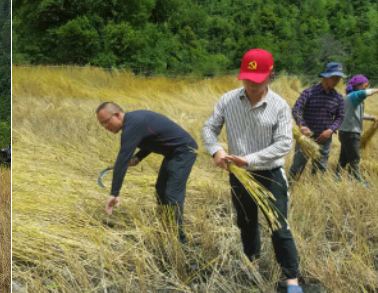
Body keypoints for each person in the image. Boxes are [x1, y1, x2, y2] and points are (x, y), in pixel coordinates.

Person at [202, 49, 301, 292]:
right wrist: (217, 150)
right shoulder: (227, 100)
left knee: (279, 226)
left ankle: (291, 279)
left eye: (257, 80)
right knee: (246, 221)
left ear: (271, 76)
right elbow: (209, 128)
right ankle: (252, 263)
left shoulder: (279, 106)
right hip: (238, 175)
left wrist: (249, 159)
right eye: (247, 79)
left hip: (270, 174)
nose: (252, 85)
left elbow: (284, 144)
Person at [97, 103, 198, 244]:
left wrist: (114, 193)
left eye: (106, 122)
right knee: (160, 190)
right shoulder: (134, 121)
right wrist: (139, 157)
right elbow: (153, 137)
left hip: (184, 151)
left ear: (117, 115)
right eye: (102, 124)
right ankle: (167, 228)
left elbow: (122, 161)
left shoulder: (132, 125)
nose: (106, 127)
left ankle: (179, 240)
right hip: (172, 153)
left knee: (172, 194)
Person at [290, 62, 346, 180]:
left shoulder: (338, 97)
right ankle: (290, 188)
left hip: (324, 138)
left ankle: (317, 190)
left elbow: (340, 116)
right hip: (306, 137)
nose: (336, 81)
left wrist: (330, 130)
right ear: (325, 76)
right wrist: (302, 125)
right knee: (297, 167)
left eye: (339, 79)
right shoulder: (309, 92)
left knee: (320, 169)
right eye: (334, 78)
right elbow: (296, 109)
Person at [337, 74, 377, 186]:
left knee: (344, 157)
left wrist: (371, 117)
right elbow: (366, 93)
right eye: (365, 85)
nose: (366, 87)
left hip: (345, 132)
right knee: (355, 159)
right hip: (351, 133)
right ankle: (357, 182)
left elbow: (359, 114)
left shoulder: (350, 98)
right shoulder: (354, 96)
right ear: (358, 85)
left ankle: (337, 178)